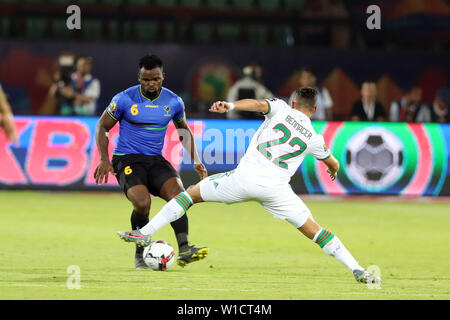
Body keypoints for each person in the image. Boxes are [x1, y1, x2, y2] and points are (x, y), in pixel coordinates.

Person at [117, 87, 381, 284]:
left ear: (293, 102)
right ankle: (357, 268)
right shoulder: (314, 137)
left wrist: (230, 105)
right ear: (314, 109)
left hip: (243, 180)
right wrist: (332, 168)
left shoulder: (280, 108)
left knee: (188, 196)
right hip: (277, 190)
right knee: (316, 231)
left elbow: (256, 104)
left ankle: (145, 232)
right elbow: (333, 162)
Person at [94, 54, 209, 269]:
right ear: (139, 78)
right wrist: (104, 158)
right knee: (142, 203)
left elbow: (182, 129)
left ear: (162, 77)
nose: (150, 84)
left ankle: (184, 248)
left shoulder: (173, 101)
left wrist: (196, 159)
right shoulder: (124, 99)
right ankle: (140, 253)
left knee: (179, 197)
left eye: (155, 79)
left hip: (155, 159)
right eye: (146, 79)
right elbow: (103, 126)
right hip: (127, 159)